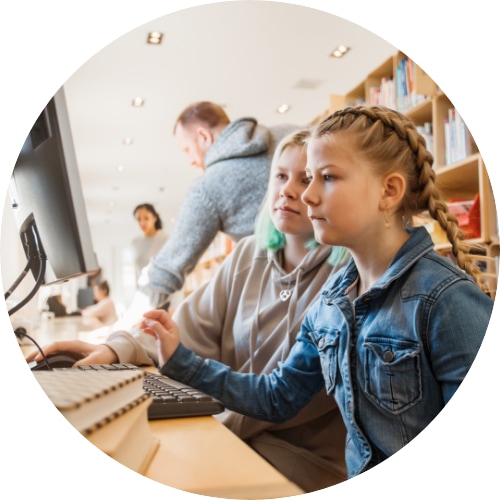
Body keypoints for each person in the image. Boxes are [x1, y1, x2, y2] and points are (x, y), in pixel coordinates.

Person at [138, 106, 494, 480]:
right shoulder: (331, 301)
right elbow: (277, 397)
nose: (306, 196)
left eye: (326, 177)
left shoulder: (446, 300)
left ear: (389, 191)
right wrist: (179, 359)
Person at [27, 129, 350, 492]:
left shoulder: (346, 276)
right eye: (280, 175)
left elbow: (289, 398)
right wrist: (115, 349)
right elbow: (181, 329)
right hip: (233, 430)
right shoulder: (247, 255)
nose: (289, 189)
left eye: (306, 178)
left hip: (302, 456)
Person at [143, 101, 298, 308]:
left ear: (204, 137)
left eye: (187, 149)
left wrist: (143, 328)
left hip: (285, 299)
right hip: (341, 276)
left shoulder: (207, 187)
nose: (190, 160)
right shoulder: (291, 135)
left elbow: (166, 270)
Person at [131, 203, 168, 283]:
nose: (142, 223)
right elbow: (137, 273)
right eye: (139, 219)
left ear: (155, 217)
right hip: (144, 292)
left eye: (146, 218)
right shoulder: (135, 242)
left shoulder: (166, 239)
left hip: (164, 291)